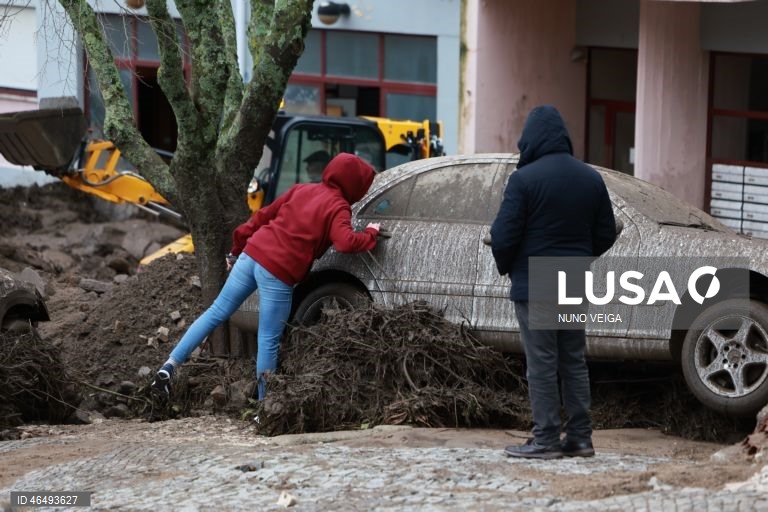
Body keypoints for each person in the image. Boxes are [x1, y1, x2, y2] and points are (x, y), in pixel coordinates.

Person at [152, 153, 381, 399]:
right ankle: (264, 406)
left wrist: (235, 252)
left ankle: (169, 367)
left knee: (215, 313)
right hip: (278, 271)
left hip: (251, 255)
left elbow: (260, 218)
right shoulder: (339, 207)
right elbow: (345, 242)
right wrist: (370, 233)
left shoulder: (301, 189)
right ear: (354, 185)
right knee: (268, 339)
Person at [490, 105, 616, 460]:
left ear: (531, 139)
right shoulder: (591, 178)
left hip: (537, 282)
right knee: (573, 359)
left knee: (542, 362)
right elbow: (606, 231)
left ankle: (545, 439)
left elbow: (504, 235)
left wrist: (509, 265)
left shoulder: (524, 179)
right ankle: (580, 438)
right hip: (573, 281)